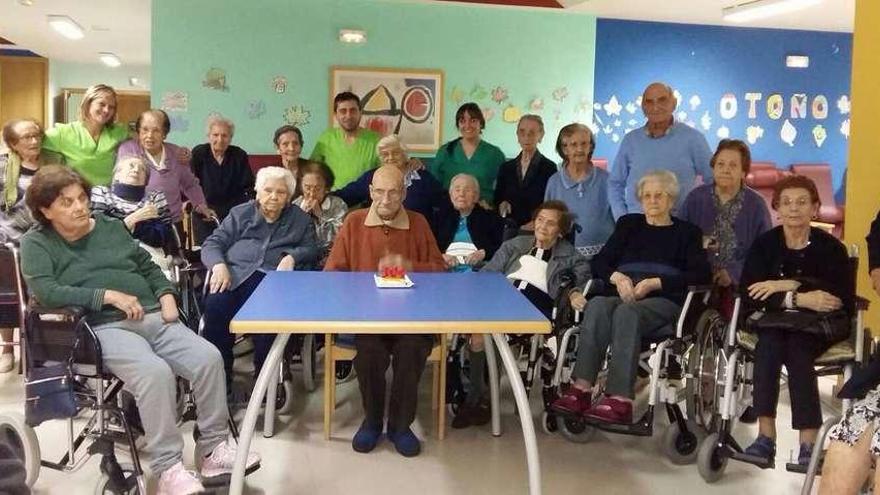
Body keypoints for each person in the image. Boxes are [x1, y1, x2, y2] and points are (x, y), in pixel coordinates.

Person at [19, 165, 259, 494]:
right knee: (154, 373)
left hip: (153, 316)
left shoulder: (109, 227)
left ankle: (213, 451)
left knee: (208, 358)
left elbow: (145, 264)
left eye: (82, 198)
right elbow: (47, 291)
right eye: (67, 202)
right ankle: (168, 469)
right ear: (46, 210)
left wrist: (166, 294)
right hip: (100, 326)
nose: (79, 207)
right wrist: (106, 296)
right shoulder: (37, 243)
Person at [550, 170, 710, 425]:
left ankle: (620, 399)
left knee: (627, 312)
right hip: (623, 294)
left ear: (671, 200)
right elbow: (601, 261)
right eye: (647, 196)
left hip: (664, 301)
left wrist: (654, 283)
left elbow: (701, 273)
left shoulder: (687, 232)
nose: (652, 201)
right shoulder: (628, 225)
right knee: (598, 305)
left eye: (659, 195)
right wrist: (618, 278)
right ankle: (581, 388)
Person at [324, 165, 446, 457]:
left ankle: (400, 426)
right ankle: (373, 420)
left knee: (412, 349)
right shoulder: (353, 223)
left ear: (404, 193)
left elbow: (441, 272)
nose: (386, 199)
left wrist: (411, 266)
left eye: (393, 192)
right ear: (370, 192)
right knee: (369, 351)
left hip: (412, 318)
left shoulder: (419, 223)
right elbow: (331, 273)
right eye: (379, 191)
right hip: (367, 317)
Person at [739, 175, 854, 467]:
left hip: (817, 326)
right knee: (770, 343)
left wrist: (783, 285)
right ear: (777, 208)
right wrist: (798, 297)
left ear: (815, 208)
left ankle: (808, 443)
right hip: (774, 323)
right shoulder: (765, 245)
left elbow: (837, 297)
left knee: (797, 346)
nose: (794, 209)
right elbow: (750, 292)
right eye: (787, 202)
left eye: (802, 202)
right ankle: (765, 437)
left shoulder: (831, 248)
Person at [452, 201, 589, 429]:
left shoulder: (572, 257)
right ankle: (479, 397)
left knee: (487, 332)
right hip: (502, 297)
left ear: (561, 231)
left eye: (551, 223)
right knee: (478, 335)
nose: (543, 226)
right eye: (540, 220)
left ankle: (483, 399)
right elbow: (489, 272)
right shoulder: (515, 244)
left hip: (537, 308)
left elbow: (580, 283)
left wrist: (574, 294)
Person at [200, 166, 318, 387]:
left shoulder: (300, 219)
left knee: (269, 318)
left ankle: (264, 381)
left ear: (289, 196)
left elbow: (312, 248)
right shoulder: (240, 213)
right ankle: (220, 377)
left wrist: (293, 255)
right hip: (235, 275)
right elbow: (213, 243)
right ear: (257, 191)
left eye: (281, 192)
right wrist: (218, 265)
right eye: (268, 190)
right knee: (215, 307)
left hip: (272, 281)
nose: (273, 196)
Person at [0, 119, 64, 373]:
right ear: (14, 144)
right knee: (8, 295)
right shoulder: (3, 166)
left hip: (46, 237)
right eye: (26, 137)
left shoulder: (54, 163)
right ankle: (7, 347)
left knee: (43, 295)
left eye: (36, 135)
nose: (34, 141)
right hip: (9, 239)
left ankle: (40, 349)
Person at [608, 82, 713, 220]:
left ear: (674, 103)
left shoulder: (693, 139)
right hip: (636, 227)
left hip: (679, 226)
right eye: (649, 102)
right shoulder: (630, 140)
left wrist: (699, 214)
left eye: (662, 100)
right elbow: (615, 183)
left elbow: (713, 181)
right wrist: (622, 218)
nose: (656, 107)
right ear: (643, 108)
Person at [680, 139, 771, 288]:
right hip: (697, 281)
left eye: (733, 165)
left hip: (742, 285)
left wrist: (733, 273)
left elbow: (763, 253)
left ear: (743, 172)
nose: (725, 170)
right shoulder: (695, 198)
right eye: (720, 164)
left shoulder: (756, 205)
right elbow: (681, 241)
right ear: (713, 168)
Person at [116, 110, 215, 231]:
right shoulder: (129, 150)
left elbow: (190, 184)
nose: (149, 135)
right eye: (145, 129)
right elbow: (122, 184)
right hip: (139, 222)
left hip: (172, 223)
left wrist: (200, 205)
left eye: (156, 130)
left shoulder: (176, 153)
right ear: (138, 131)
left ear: (165, 134)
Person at [335, 134, 444, 229]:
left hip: (415, 237)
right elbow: (347, 195)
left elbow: (445, 206)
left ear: (404, 154)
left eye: (396, 153)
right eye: (385, 154)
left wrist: (439, 243)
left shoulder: (423, 178)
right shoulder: (372, 177)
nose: (390, 158)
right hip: (378, 237)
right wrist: (322, 197)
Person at [544, 123, 615, 259]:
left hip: (604, 256)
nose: (579, 149)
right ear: (565, 149)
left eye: (584, 144)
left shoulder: (607, 179)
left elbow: (619, 218)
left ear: (591, 147)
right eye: (573, 145)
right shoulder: (554, 182)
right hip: (564, 256)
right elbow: (547, 220)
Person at [42, 84, 130, 186]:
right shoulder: (63, 133)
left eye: (111, 107)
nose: (106, 110)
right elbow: (32, 145)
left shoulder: (119, 132)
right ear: (88, 104)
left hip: (109, 197)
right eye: (102, 104)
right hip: (77, 196)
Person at [189, 116, 254, 241]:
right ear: (209, 136)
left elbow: (249, 185)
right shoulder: (199, 153)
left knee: (233, 250)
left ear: (230, 138)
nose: (220, 139)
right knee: (207, 250)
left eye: (225, 135)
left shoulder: (239, 155)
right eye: (215, 135)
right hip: (205, 210)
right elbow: (191, 184)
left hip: (234, 213)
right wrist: (201, 207)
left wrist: (248, 207)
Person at [91, 155, 173, 250]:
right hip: (110, 252)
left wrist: (134, 227)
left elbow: (164, 237)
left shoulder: (155, 197)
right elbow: (100, 234)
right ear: (117, 174)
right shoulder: (102, 192)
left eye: (142, 169)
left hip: (148, 253)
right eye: (131, 166)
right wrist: (135, 218)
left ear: (146, 181)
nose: (136, 170)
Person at [430, 103, 506, 204]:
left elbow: (505, 189)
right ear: (458, 125)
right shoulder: (445, 151)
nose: (467, 125)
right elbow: (432, 185)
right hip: (449, 212)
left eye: (473, 120)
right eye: (462, 121)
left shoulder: (495, 154)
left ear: (481, 123)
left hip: (484, 212)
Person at [494, 114, 557, 228]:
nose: (526, 136)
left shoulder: (549, 168)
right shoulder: (506, 167)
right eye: (522, 132)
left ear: (541, 135)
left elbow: (551, 204)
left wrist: (535, 223)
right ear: (517, 135)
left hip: (537, 229)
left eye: (532, 132)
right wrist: (502, 203)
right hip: (509, 228)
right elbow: (498, 197)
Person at [310, 92, 381, 189]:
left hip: (365, 201)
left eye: (353, 110)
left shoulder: (376, 140)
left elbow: (384, 173)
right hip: (333, 200)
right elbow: (312, 170)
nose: (348, 116)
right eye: (343, 111)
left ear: (360, 112)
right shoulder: (326, 138)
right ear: (336, 114)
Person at [436, 173, 503, 273]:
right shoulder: (439, 217)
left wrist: (484, 253)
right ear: (450, 195)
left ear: (476, 196)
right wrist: (441, 256)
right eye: (457, 190)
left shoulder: (490, 218)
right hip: (444, 272)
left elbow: (502, 247)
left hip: (479, 272)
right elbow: (428, 248)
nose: (461, 194)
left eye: (467, 190)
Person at [292, 162, 347, 267]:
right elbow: (291, 238)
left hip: (330, 258)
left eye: (317, 189)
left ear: (327, 188)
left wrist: (320, 216)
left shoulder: (338, 204)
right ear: (301, 186)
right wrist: (301, 217)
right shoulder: (296, 205)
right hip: (302, 259)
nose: (312, 193)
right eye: (307, 188)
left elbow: (339, 237)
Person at [273, 124, 307, 198]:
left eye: (295, 143)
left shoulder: (312, 169)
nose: (291, 148)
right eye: (285, 144)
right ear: (277, 148)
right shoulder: (270, 172)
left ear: (301, 146)